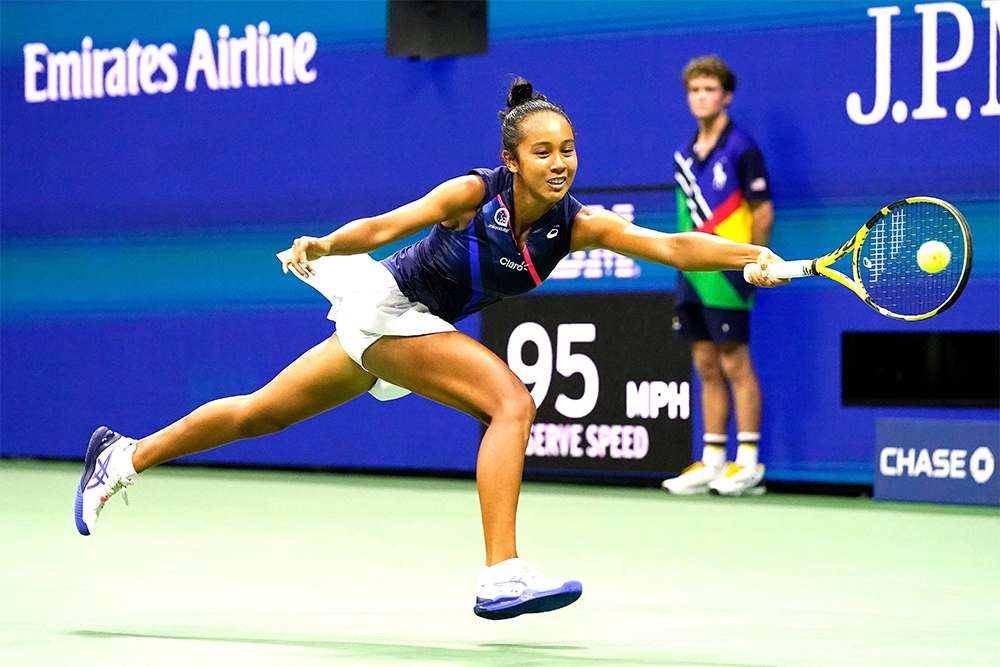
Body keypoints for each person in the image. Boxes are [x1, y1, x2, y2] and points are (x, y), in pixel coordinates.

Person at [75, 77, 784, 620]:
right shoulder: (474, 194)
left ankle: (123, 453)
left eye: (567, 149)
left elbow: (672, 244)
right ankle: (500, 570)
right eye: (543, 151)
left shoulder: (575, 224)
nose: (560, 163)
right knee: (511, 401)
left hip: (399, 322)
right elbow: (388, 224)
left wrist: (751, 252)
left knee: (260, 414)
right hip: (389, 306)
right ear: (512, 158)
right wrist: (326, 244)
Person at [661, 55, 776, 497]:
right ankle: (712, 460)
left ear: (725, 96)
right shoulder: (683, 157)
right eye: (694, 90)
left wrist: (753, 263)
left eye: (709, 89)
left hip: (731, 273)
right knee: (705, 362)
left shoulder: (743, 148)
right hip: (692, 273)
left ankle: (747, 463)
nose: (701, 97)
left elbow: (762, 211)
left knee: (735, 362)